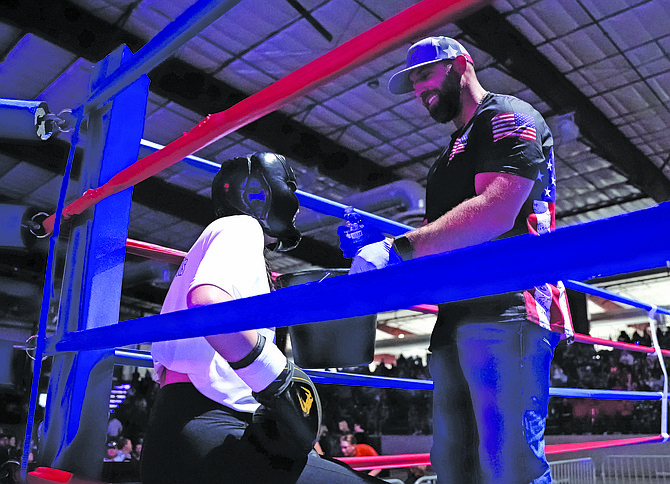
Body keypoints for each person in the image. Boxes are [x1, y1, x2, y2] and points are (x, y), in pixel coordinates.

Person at [345, 37, 574, 483]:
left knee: (511, 466)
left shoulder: (508, 116)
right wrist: (382, 259)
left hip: (509, 307)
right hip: (456, 316)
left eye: (424, 74)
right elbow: (445, 241)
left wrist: (398, 249)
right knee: (456, 466)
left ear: (460, 65)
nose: (418, 90)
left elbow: (495, 211)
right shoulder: (447, 156)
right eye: (412, 82)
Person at [141, 152, 386, 484]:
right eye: (289, 186)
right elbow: (207, 304)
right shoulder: (241, 226)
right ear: (258, 192)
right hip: (210, 439)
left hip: (179, 434)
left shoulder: (216, 243)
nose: (296, 203)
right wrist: (279, 379)